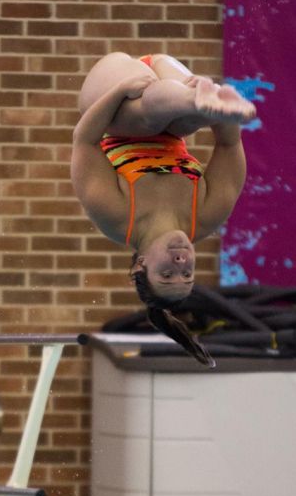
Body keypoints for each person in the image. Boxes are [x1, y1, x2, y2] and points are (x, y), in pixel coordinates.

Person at [71, 52, 256, 366]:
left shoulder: (117, 218)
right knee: (188, 121)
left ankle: (193, 97)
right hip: (174, 106)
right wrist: (224, 118)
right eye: (187, 272)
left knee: (145, 118)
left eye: (168, 272)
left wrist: (117, 92)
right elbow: (228, 146)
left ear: (140, 265)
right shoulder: (206, 215)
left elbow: (83, 141)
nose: (181, 261)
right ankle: (196, 98)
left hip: (112, 113)